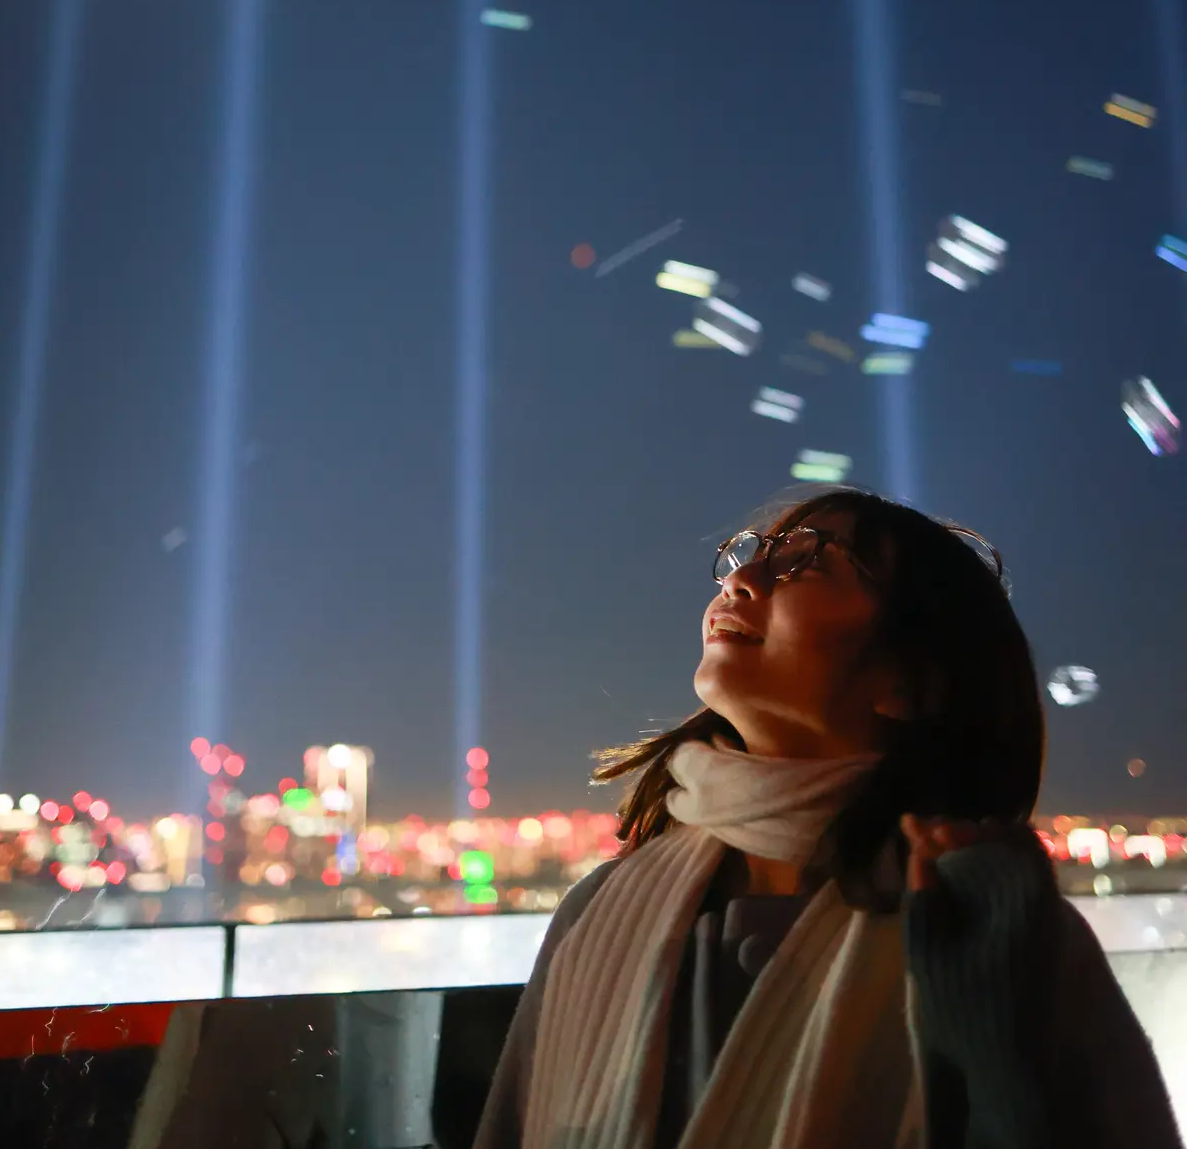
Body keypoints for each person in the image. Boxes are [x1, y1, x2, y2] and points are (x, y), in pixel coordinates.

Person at [472, 487, 1183, 1149]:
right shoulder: (600, 908)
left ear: (909, 681)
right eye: (753, 557)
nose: (739, 581)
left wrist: (994, 1034)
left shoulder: (992, 929)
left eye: (812, 566)